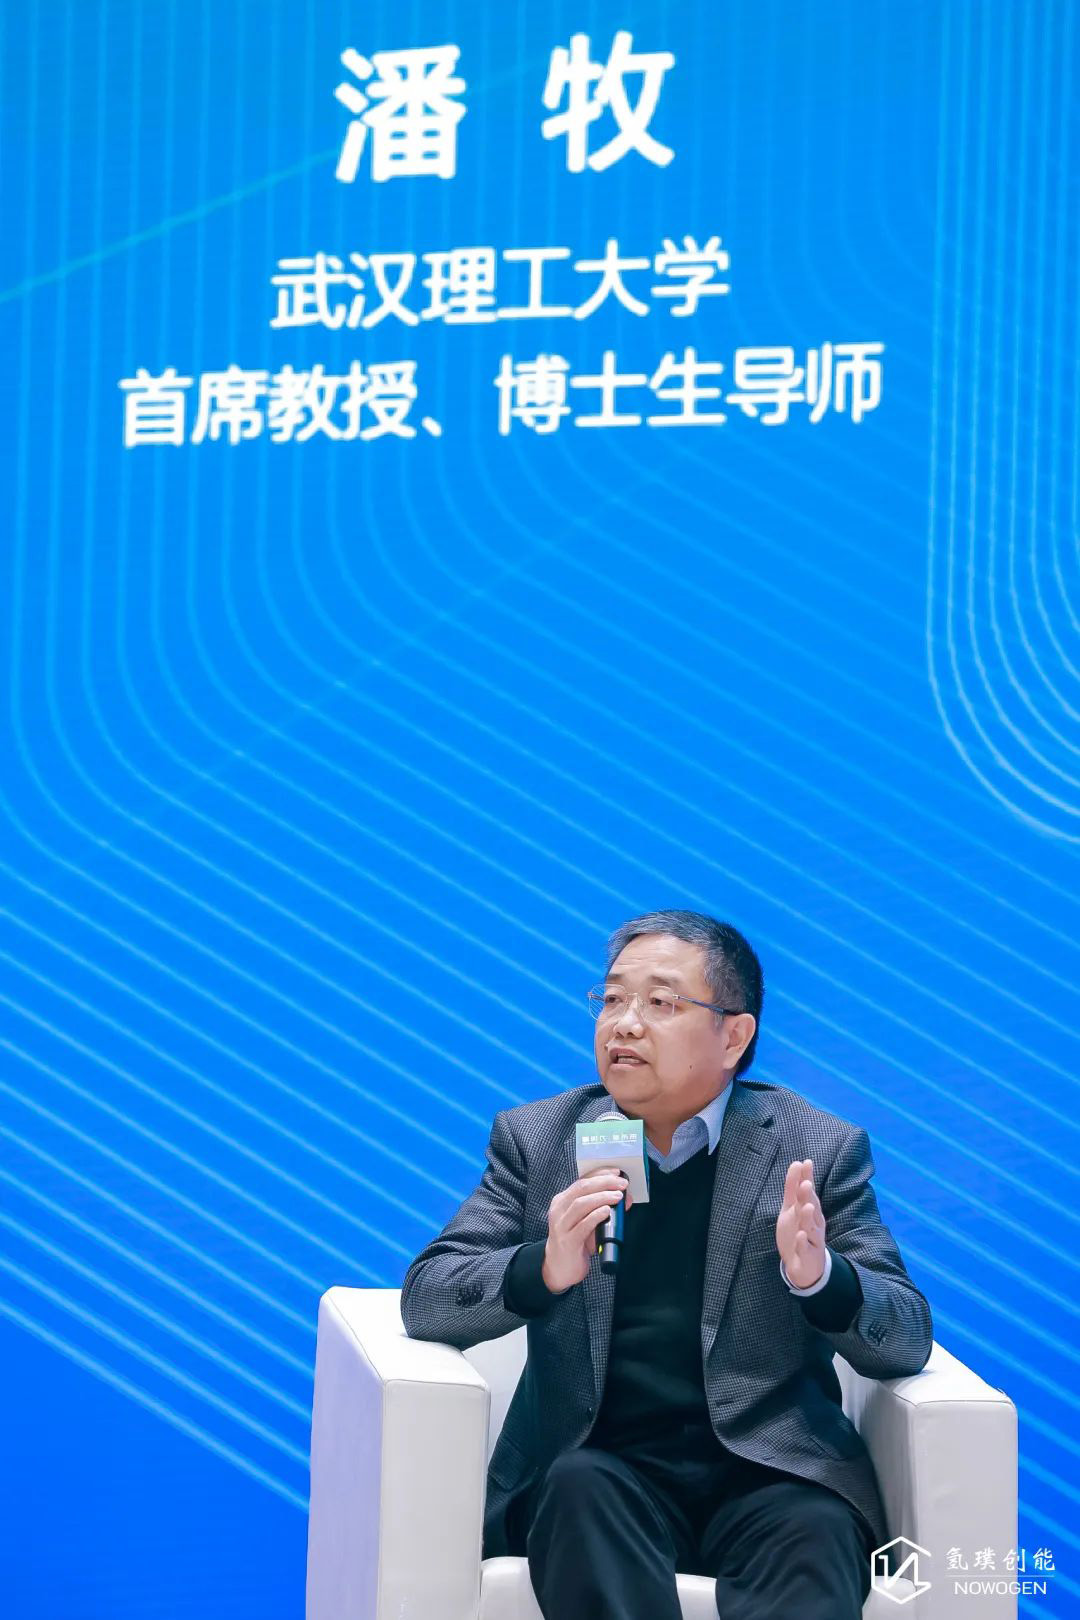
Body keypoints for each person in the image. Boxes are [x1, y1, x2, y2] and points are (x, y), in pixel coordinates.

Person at [401, 909, 932, 1620]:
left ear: (734, 1036)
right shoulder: (540, 1139)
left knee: (815, 1532)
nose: (624, 1024)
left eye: (659, 1002)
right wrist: (542, 1268)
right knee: (580, 1491)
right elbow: (428, 1299)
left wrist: (820, 1278)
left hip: (771, 1472)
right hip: (600, 1467)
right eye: (612, 999)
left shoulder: (814, 1149)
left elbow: (903, 1340)